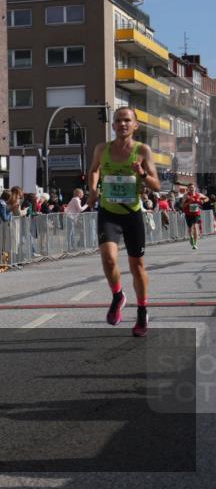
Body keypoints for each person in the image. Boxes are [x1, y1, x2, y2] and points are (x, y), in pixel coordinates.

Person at [87, 106, 161, 338]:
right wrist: (92, 190)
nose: (122, 124)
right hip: (109, 211)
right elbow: (93, 171)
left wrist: (141, 173)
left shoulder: (143, 150)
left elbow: (156, 185)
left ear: (135, 125)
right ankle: (118, 296)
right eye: (118, 120)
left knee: (136, 266)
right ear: (113, 125)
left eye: (127, 120)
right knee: (109, 259)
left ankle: (142, 310)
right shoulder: (102, 148)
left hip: (132, 213)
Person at [181, 183, 209, 250]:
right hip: (188, 214)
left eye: (193, 187)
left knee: (195, 227)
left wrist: (203, 201)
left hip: (196, 214)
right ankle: (191, 237)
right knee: (190, 228)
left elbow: (207, 198)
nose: (191, 189)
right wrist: (189, 202)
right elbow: (182, 206)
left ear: (195, 188)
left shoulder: (198, 195)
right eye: (190, 187)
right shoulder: (186, 195)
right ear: (188, 189)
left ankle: (195, 243)